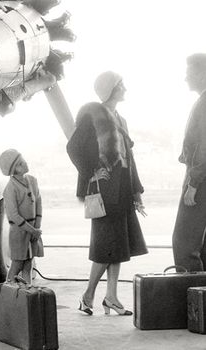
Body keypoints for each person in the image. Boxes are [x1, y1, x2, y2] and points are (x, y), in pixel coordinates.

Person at [66, 71, 147, 316]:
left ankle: (110, 296)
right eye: (120, 84)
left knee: (118, 244)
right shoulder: (93, 113)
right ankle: (88, 295)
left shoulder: (120, 119)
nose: (124, 87)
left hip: (122, 186)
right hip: (103, 188)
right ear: (109, 88)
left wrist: (136, 192)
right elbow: (73, 147)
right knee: (105, 245)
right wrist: (92, 172)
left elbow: (128, 159)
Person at [172, 53, 206, 271]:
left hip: (201, 178)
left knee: (184, 243)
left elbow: (204, 146)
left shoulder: (204, 103)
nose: (186, 78)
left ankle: (192, 302)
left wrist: (193, 183)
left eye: (189, 73)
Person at [0, 149, 43, 284]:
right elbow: (14, 215)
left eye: (23, 160)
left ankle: (26, 292)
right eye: (20, 163)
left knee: (28, 262)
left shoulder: (32, 181)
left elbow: (39, 203)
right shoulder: (10, 188)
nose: (24, 164)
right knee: (17, 263)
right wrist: (33, 230)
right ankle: (9, 291)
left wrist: (37, 226)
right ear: (13, 169)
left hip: (33, 230)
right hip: (19, 232)